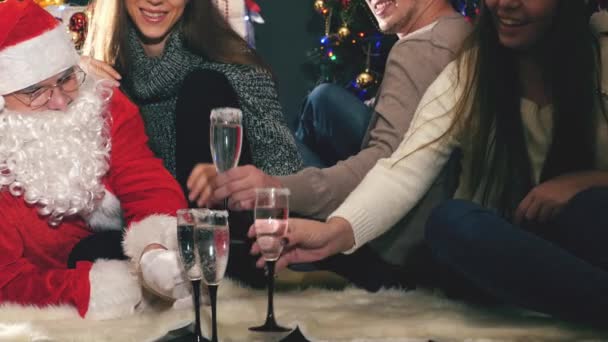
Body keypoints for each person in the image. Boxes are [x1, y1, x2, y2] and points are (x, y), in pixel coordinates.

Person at [253, 0, 608, 327]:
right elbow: (405, 166)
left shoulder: (600, 53)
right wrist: (337, 231)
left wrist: (582, 181)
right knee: (449, 221)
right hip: (498, 249)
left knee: (589, 208)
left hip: (578, 237)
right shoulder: (472, 67)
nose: (506, 4)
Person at [193, 0, 471, 289]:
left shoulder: (419, 50)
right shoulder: (459, 32)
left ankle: (262, 248)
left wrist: (276, 185)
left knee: (267, 151)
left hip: (392, 255)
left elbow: (384, 165)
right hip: (424, 230)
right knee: (323, 100)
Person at [83, 0, 303, 287]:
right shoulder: (101, 76)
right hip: (150, 240)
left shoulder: (232, 70)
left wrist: (231, 179)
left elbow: (287, 179)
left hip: (230, 242)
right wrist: (78, 82)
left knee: (203, 87)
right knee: (87, 253)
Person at [0, 0, 195, 319]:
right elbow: (6, 282)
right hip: (53, 301)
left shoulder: (101, 106)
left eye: (66, 78)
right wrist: (97, 288)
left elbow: (146, 183)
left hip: (114, 254)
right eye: (35, 91)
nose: (62, 102)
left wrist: (154, 250)